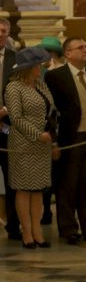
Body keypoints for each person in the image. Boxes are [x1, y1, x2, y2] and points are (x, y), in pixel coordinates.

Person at [45, 38, 86, 244]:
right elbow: (50, 111)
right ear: (68, 53)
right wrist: (54, 141)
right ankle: (68, 228)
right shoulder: (56, 76)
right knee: (68, 185)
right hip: (70, 138)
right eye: (81, 47)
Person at [6, 47, 56, 249]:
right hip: (23, 145)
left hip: (43, 144)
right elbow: (15, 118)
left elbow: (52, 108)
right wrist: (37, 135)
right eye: (37, 65)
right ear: (28, 67)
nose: (41, 68)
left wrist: (51, 133)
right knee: (24, 189)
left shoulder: (41, 85)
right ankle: (26, 232)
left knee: (38, 190)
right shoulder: (13, 88)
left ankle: (37, 231)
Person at [0, 18, 21, 241]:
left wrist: (5, 110)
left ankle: (13, 226)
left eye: (3, 31)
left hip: (8, 125)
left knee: (11, 177)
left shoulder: (15, 60)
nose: (0, 35)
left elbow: (21, 88)